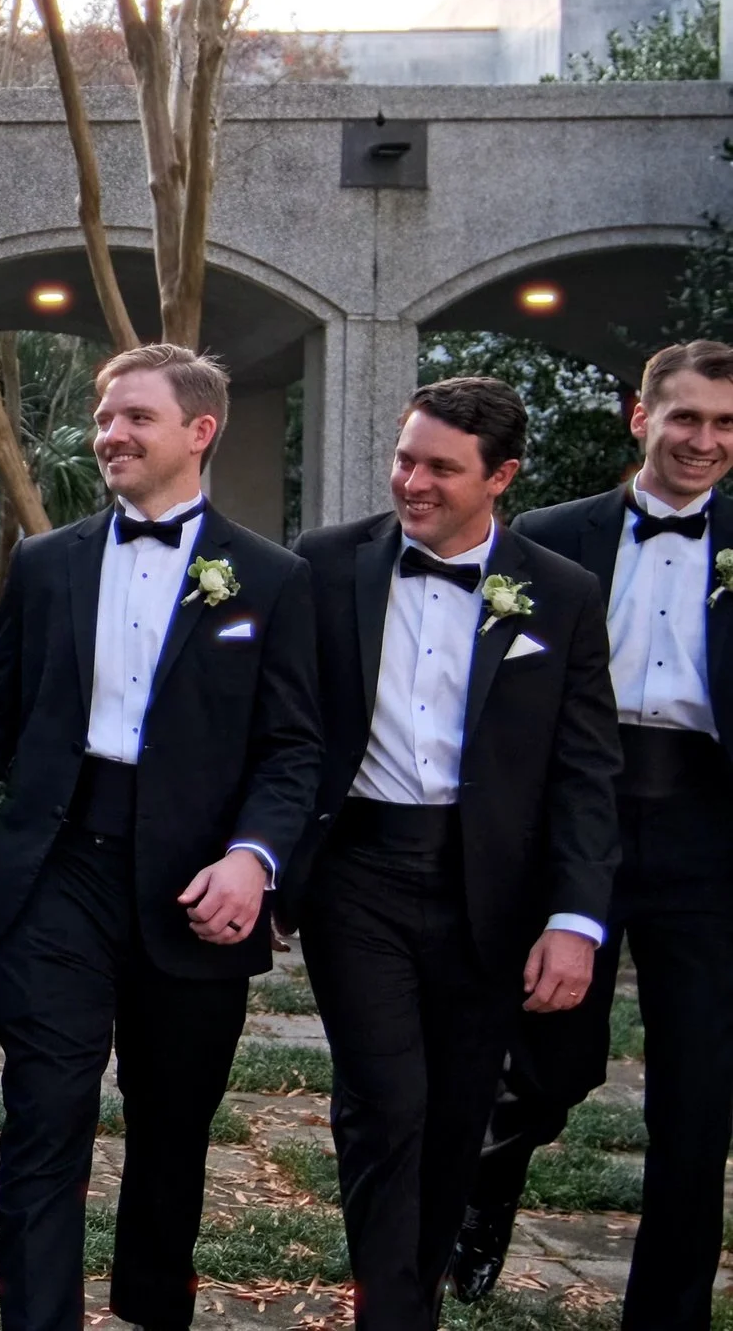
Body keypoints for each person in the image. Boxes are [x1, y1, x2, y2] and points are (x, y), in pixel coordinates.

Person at [0, 344, 324, 1329]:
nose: (108, 434)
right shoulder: (49, 559)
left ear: (199, 430)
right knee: (43, 1119)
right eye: (105, 418)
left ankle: (153, 1311)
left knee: (171, 1130)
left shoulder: (270, 578)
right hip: (57, 868)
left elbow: (293, 748)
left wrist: (254, 856)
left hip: (193, 888)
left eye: (133, 418)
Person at [286, 377, 620, 1330]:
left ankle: (415, 1294)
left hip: (494, 892)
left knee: (457, 1113)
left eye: (440, 467)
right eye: (405, 458)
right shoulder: (325, 563)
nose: (412, 482)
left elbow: (586, 773)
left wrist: (575, 918)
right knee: (385, 1104)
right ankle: (390, 1314)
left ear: (501, 476)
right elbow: (283, 728)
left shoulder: (559, 593)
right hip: (358, 871)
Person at [447, 340, 733, 1326]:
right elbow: (500, 698)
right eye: (685, 416)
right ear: (639, 416)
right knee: (554, 1058)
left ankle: (667, 1313)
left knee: (698, 1100)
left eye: (724, 423)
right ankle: (487, 1176)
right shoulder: (550, 535)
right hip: (582, 819)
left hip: (708, 834)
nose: (704, 440)